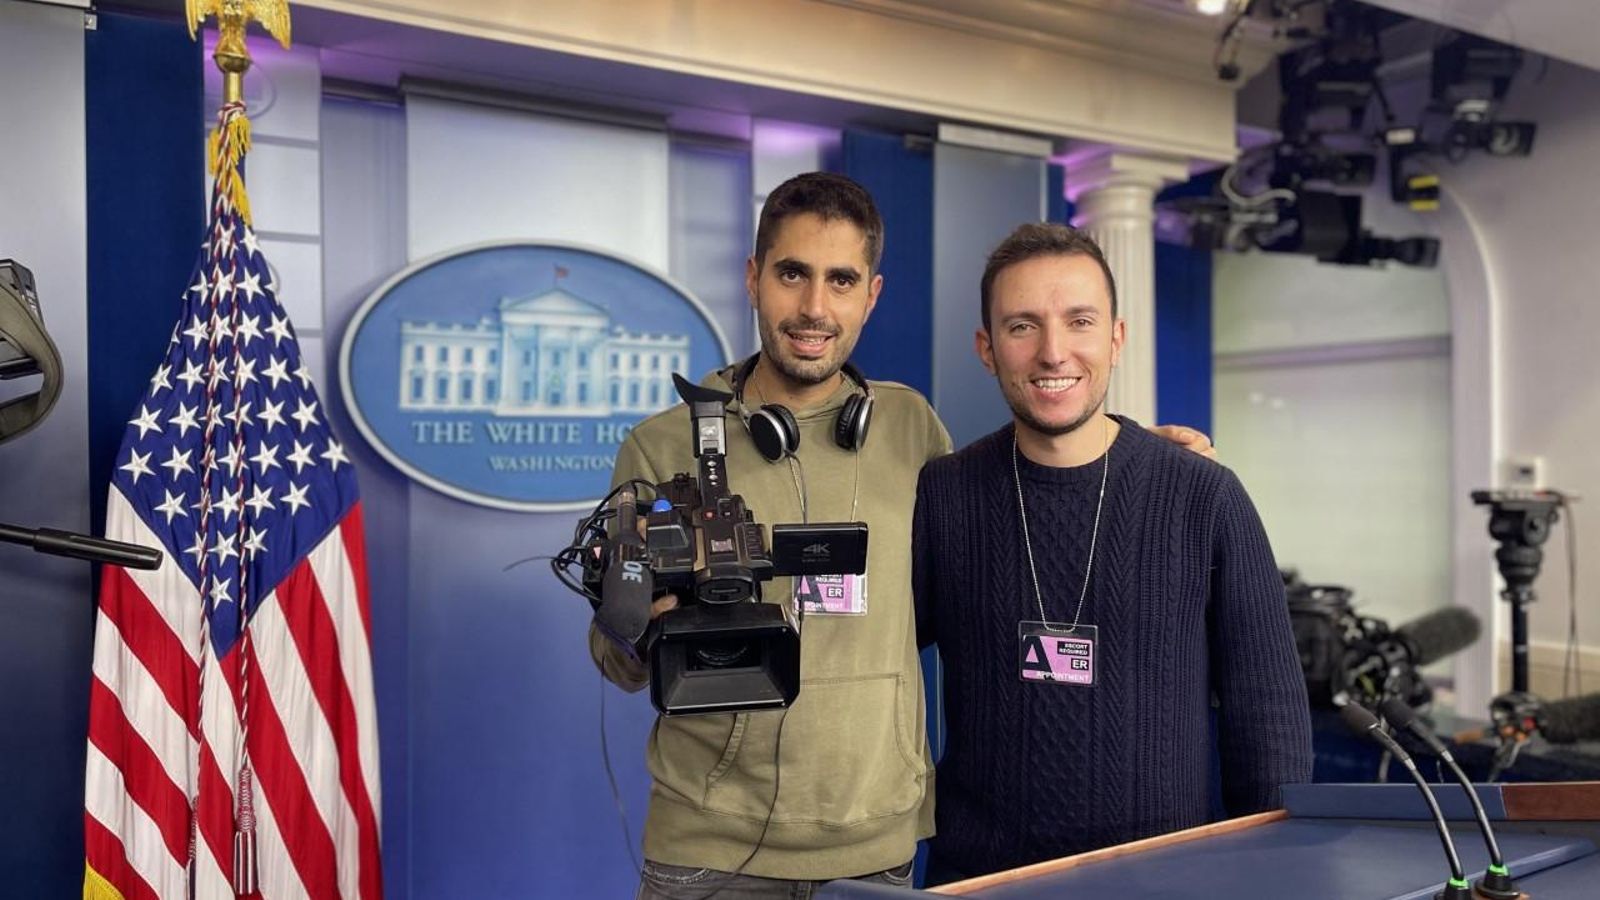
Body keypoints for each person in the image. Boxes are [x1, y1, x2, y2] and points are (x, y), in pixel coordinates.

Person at [590, 174, 1216, 898]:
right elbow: (618, 657)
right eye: (793, 274)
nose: (815, 307)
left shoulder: (910, 427)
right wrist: (638, 626)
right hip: (708, 846)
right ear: (756, 278)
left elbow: (1015, 503)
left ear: (872, 295)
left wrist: (1133, 451)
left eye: (841, 279)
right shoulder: (662, 445)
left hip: (877, 846)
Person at [912, 222, 1313, 882]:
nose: (1053, 351)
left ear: (1116, 338)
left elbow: (1266, 718)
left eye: (1079, 321)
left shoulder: (1203, 497)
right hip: (982, 880)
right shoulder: (946, 494)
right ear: (987, 348)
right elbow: (870, 656)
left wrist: (1267, 879)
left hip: (1164, 880)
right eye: (1022, 326)